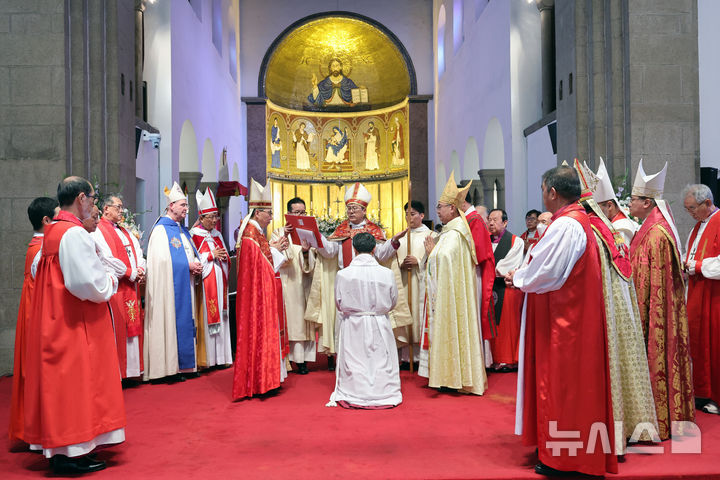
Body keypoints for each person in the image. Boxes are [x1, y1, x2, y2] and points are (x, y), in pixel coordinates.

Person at [509, 166, 616, 477]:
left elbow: (548, 272)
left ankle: (568, 460)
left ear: (552, 192)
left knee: (565, 389)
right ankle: (561, 452)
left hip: (565, 323)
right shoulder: (575, 220)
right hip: (569, 316)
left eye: (543, 189)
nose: (542, 195)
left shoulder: (566, 225)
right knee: (567, 389)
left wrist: (520, 278)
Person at [22, 176, 125, 474]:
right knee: (76, 385)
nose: (93, 204)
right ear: (81, 198)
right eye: (92, 199)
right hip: (74, 320)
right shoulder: (75, 234)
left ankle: (69, 451)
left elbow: (37, 268)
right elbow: (84, 282)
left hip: (56, 318)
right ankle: (70, 453)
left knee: (64, 386)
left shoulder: (54, 230)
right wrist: (110, 282)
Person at [574, 159, 659, 447]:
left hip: (613, 308)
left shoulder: (612, 230)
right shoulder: (607, 229)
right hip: (621, 305)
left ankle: (619, 426)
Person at [306, 182, 412, 369]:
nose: (350, 212)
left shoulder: (374, 231)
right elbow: (330, 252)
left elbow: (381, 254)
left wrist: (394, 241)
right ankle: (346, 360)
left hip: (370, 282)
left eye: (354, 208)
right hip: (346, 280)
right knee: (345, 320)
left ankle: (372, 358)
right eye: (348, 208)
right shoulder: (341, 231)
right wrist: (318, 236)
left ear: (364, 210)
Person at [628, 160, 695, 440]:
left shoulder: (655, 235)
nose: (628, 204)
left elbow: (648, 279)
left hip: (653, 312)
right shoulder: (652, 228)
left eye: (632, 200)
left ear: (647, 203)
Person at [419, 174, 487, 395]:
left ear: (452, 208)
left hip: (451, 296)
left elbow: (445, 259)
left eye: (440, 207)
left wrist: (431, 254)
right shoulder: (450, 230)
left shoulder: (457, 232)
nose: (437, 211)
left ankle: (454, 377)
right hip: (448, 294)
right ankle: (449, 375)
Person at [327, 232, 401, 409]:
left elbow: (339, 302)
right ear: (375, 248)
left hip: (354, 323)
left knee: (355, 359)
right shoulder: (387, 273)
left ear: (354, 249)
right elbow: (393, 302)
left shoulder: (343, 274)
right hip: (379, 322)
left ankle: (356, 391)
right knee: (380, 358)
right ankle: (383, 391)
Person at [232, 179, 290, 399]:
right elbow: (261, 267)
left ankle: (265, 378)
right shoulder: (250, 234)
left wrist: (273, 248)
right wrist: (275, 251)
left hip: (261, 294)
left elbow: (261, 261)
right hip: (258, 298)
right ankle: (260, 380)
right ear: (257, 213)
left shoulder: (254, 232)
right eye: (268, 212)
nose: (271, 217)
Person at [9, 197, 58, 446]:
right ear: (46, 220)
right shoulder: (43, 250)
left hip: (30, 315)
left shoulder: (36, 247)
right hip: (38, 318)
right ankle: (38, 432)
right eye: (57, 216)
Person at [144, 182, 203, 382]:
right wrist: (187, 266)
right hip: (168, 290)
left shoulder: (181, 230)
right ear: (171, 206)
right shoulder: (161, 230)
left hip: (185, 284)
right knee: (168, 322)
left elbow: (189, 252)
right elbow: (160, 262)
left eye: (186, 206)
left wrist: (196, 263)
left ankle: (185, 366)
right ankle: (167, 368)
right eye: (183, 205)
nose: (186, 209)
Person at [92, 194, 146, 381]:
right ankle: (120, 372)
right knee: (120, 329)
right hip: (117, 287)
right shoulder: (98, 230)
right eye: (118, 207)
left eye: (122, 208)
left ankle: (133, 371)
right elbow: (106, 258)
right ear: (106, 209)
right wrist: (130, 273)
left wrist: (140, 268)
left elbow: (138, 250)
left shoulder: (125, 231)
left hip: (132, 286)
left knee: (132, 327)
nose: (121, 211)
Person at [682, 183, 720, 415]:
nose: (691, 213)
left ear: (707, 203)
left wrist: (697, 266)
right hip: (696, 293)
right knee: (699, 345)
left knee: (715, 345)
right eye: (687, 209)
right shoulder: (697, 228)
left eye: (693, 208)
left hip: (715, 298)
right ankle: (704, 392)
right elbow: (690, 254)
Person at [271, 197, 316, 375]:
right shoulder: (278, 232)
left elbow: (312, 262)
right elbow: (283, 260)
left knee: (304, 321)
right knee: (293, 321)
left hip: (305, 281)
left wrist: (306, 253)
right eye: (297, 213)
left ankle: (303, 359)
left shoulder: (308, 232)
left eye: (303, 213)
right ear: (289, 214)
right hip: (288, 283)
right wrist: (287, 236)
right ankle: (291, 359)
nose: (300, 216)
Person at [190, 188, 233, 369]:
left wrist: (224, 258)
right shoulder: (194, 234)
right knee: (207, 317)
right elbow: (192, 260)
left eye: (216, 217)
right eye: (212, 217)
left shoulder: (217, 234)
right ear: (201, 218)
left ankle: (221, 358)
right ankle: (207, 359)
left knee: (222, 320)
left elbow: (225, 255)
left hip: (220, 281)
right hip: (206, 284)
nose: (215, 221)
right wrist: (210, 255)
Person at [388, 200, 433, 367]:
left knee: (419, 315)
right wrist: (400, 263)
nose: (409, 217)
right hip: (404, 282)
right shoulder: (400, 237)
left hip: (420, 284)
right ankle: (406, 357)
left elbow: (434, 261)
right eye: (406, 214)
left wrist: (419, 262)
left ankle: (420, 358)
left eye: (412, 214)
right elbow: (391, 259)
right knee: (404, 314)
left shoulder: (431, 236)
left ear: (422, 215)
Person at [460, 190, 495, 367]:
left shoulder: (474, 220)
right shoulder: (468, 219)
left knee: (474, 315)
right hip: (467, 274)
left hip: (473, 274)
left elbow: (478, 253)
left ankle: (478, 361)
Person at [487, 208, 524, 371]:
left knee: (507, 325)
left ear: (505, 222)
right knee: (489, 323)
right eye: (489, 219)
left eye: (495, 220)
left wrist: (489, 270)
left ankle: (507, 359)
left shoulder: (516, 241)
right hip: (488, 288)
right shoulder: (484, 240)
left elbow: (508, 265)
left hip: (506, 288)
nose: (491, 223)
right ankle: (490, 358)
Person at [594, 157, 639, 246]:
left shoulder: (621, 228)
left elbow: (622, 258)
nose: (595, 213)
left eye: (597, 208)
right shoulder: (614, 223)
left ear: (609, 206)